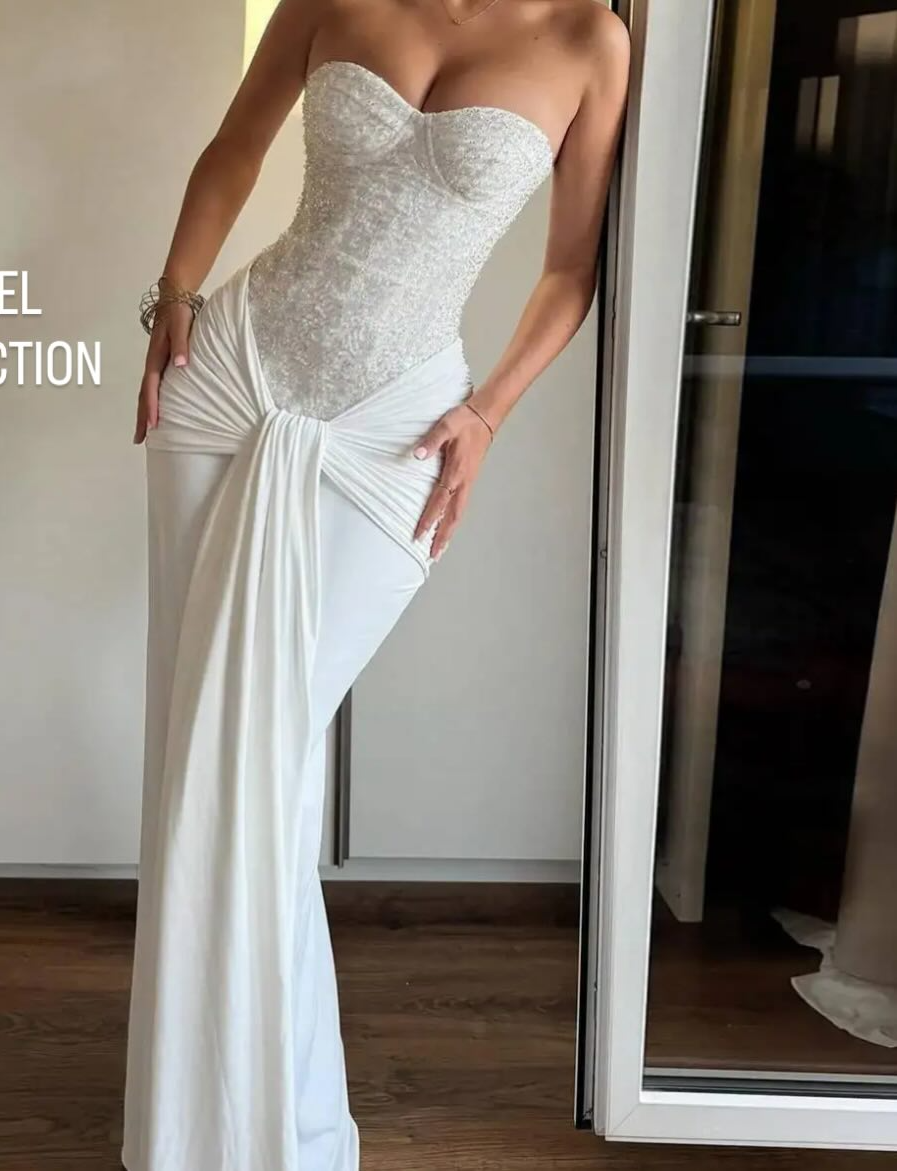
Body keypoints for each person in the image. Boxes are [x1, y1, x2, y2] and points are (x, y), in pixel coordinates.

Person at [122, 2, 630, 1169]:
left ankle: (269, 1123)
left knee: (261, 751)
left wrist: (487, 413)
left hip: (395, 424)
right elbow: (234, 148)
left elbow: (570, 267)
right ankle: (230, 1121)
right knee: (204, 747)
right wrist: (177, 293)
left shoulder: (588, 41)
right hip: (229, 378)